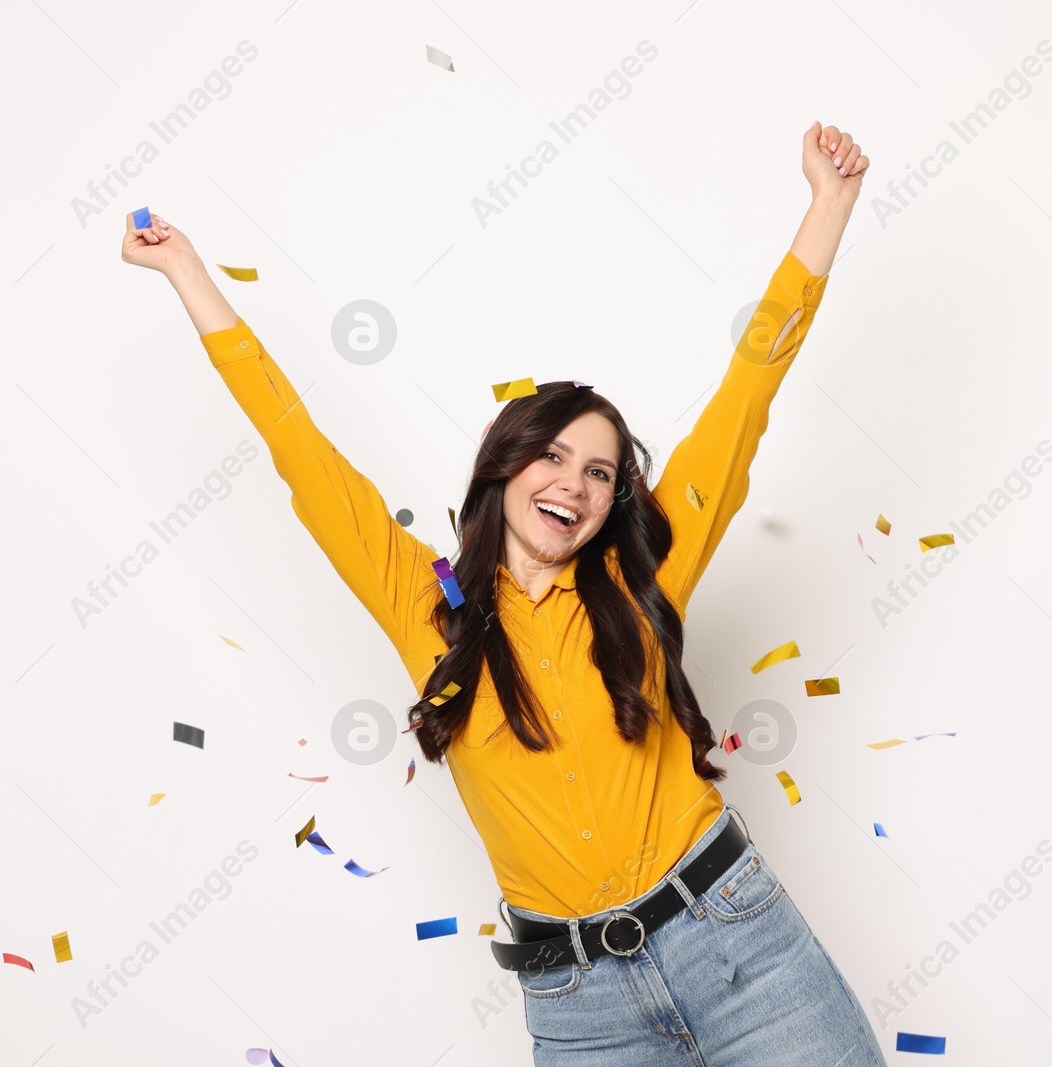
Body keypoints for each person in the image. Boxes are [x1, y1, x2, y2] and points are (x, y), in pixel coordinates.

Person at [121, 120, 884, 1066]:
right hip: (577, 1002)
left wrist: (828, 206)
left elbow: (748, 388)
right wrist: (188, 272)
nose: (575, 483)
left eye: (602, 473)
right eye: (555, 455)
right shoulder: (425, 605)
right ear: (507, 465)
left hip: (741, 948)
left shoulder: (643, 575)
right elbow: (301, 452)